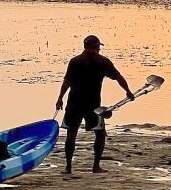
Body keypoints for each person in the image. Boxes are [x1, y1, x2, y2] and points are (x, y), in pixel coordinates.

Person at [55, 35, 135, 174]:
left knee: (71, 133)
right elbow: (118, 77)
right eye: (98, 46)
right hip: (93, 105)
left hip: (74, 103)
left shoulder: (75, 61)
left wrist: (60, 98)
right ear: (97, 47)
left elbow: (67, 81)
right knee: (100, 134)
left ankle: (68, 167)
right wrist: (128, 91)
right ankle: (96, 166)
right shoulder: (102, 62)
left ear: (85, 46)